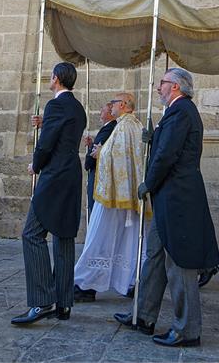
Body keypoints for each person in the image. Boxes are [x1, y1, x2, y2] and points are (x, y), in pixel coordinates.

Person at [113, 68, 219, 347]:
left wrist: (148, 182)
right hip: (168, 195)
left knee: (179, 263)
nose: (158, 87)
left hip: (178, 196)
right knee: (155, 257)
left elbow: (167, 154)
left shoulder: (181, 110)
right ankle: (143, 315)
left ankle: (187, 329)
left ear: (175, 87)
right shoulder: (176, 111)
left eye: (162, 83)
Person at [11, 62, 86, 325]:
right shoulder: (77, 107)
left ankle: (42, 302)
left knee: (31, 234)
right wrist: (46, 123)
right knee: (63, 236)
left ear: (56, 79)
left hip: (54, 175)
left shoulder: (55, 105)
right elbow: (63, 133)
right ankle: (64, 303)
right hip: (72, 174)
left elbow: (47, 143)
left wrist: (36, 164)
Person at [73, 93, 145, 301]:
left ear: (122, 105)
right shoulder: (133, 124)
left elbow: (116, 155)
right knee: (123, 240)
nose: (110, 106)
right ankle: (127, 281)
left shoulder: (124, 126)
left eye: (113, 103)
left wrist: (99, 152)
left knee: (100, 237)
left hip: (113, 193)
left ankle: (87, 283)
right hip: (124, 192)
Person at [83, 103, 116, 222]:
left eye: (103, 110)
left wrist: (87, 163)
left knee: (95, 209)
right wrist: (91, 144)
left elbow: (97, 152)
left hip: (97, 173)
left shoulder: (109, 128)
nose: (100, 112)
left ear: (110, 113)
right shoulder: (109, 127)